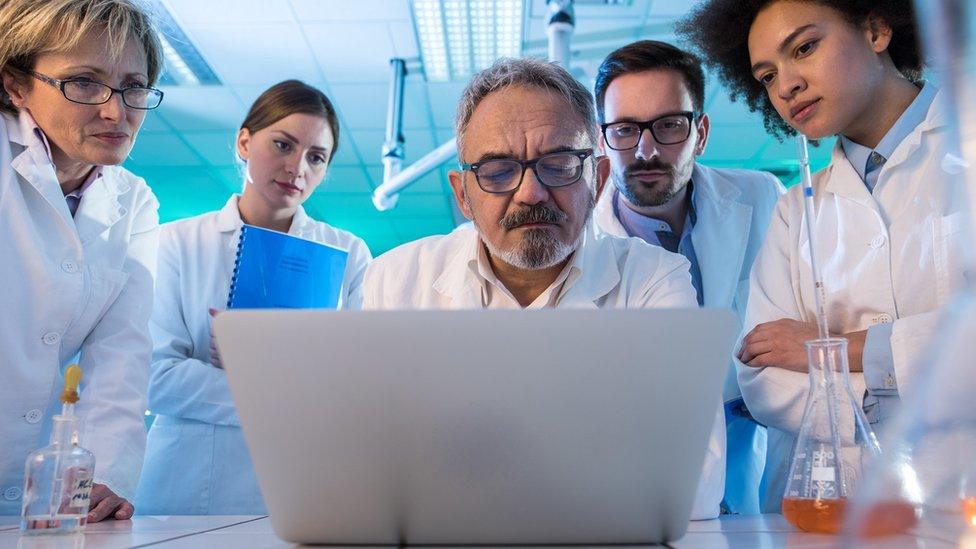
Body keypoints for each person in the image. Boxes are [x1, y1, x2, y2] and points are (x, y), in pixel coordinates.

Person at [361, 57, 724, 519]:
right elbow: (371, 468)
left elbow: (694, 481)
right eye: (496, 171)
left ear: (598, 180)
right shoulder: (396, 280)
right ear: (463, 195)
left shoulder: (654, 280)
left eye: (559, 164)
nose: (530, 193)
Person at [678, 0, 968, 511]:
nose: (785, 86)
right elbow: (764, 377)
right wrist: (908, 385)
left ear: (876, 29)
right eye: (767, 76)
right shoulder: (794, 213)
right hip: (824, 512)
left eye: (805, 48)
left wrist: (841, 351)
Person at [135, 80, 372, 515]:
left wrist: (260, 370)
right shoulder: (175, 243)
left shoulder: (349, 253)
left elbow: (353, 387)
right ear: (244, 141)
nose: (297, 168)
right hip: (185, 486)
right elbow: (155, 378)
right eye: (283, 144)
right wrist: (289, 394)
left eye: (316, 157)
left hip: (299, 484)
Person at [592, 40, 784, 515]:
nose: (646, 149)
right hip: (632, 486)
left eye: (669, 125)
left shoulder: (764, 200)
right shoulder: (582, 244)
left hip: (751, 467)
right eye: (624, 129)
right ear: (601, 140)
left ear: (700, 132)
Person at [0, 0, 164, 521]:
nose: (116, 111)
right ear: (16, 85)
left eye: (133, 86)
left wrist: (103, 478)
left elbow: (122, 355)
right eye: (84, 83)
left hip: (31, 485)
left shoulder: (134, 201)